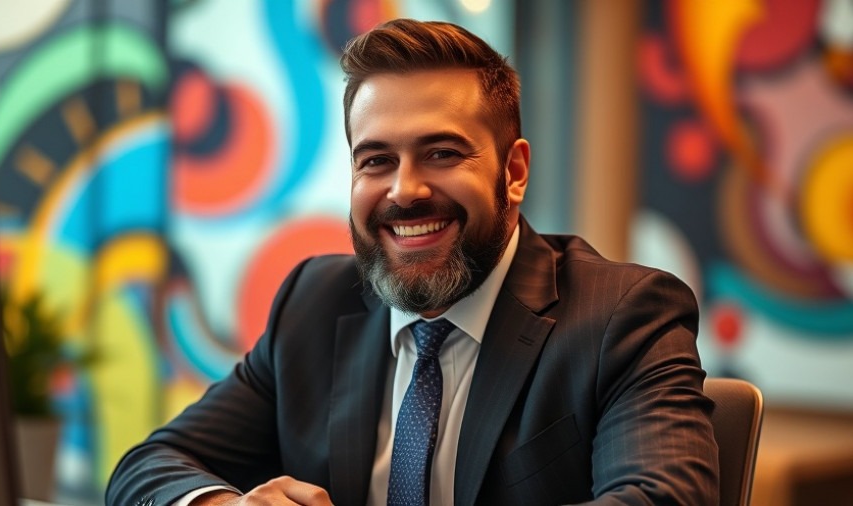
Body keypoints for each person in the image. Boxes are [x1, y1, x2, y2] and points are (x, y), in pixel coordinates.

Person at [106, 18, 718, 506]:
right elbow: (148, 468)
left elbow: (664, 497)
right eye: (376, 160)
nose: (405, 191)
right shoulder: (313, 303)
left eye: (442, 152)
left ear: (514, 172)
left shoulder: (623, 315)